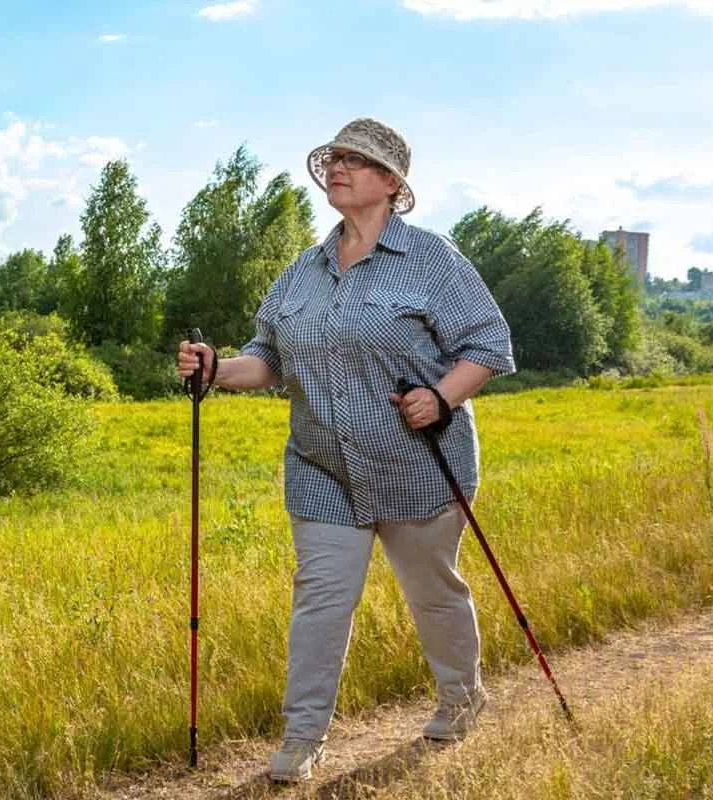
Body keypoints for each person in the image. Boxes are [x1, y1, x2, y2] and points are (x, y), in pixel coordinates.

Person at [175, 117, 515, 784]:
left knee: (432, 593)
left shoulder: (434, 261)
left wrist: (442, 396)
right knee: (321, 600)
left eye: (356, 161)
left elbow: (489, 344)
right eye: (333, 159)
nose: (337, 168)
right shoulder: (301, 273)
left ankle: (461, 696)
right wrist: (215, 369)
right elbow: (267, 359)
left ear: (392, 184)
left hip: (418, 463)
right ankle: (302, 739)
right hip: (322, 468)